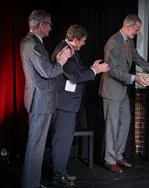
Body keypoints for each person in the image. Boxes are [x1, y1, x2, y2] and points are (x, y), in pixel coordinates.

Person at [99, 14, 149, 173]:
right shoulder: (113, 42)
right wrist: (134, 78)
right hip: (112, 89)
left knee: (125, 121)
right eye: (136, 29)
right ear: (127, 27)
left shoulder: (129, 41)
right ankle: (109, 159)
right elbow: (111, 69)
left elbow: (138, 59)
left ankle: (118, 155)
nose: (137, 32)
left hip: (122, 89)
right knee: (112, 126)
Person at [50, 25, 110, 186]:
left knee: (65, 141)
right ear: (75, 40)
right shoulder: (65, 52)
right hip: (63, 105)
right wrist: (95, 71)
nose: (84, 44)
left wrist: (92, 68)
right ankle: (57, 176)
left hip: (68, 104)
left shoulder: (69, 50)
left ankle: (61, 172)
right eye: (83, 41)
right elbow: (74, 77)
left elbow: (78, 71)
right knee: (61, 142)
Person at [20, 10, 73, 188]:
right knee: (36, 146)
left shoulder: (29, 42)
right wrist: (61, 62)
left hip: (38, 99)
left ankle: (32, 182)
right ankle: (31, 184)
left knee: (36, 145)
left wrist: (56, 62)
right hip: (40, 101)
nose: (51, 28)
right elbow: (48, 72)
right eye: (49, 24)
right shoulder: (33, 44)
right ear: (42, 25)